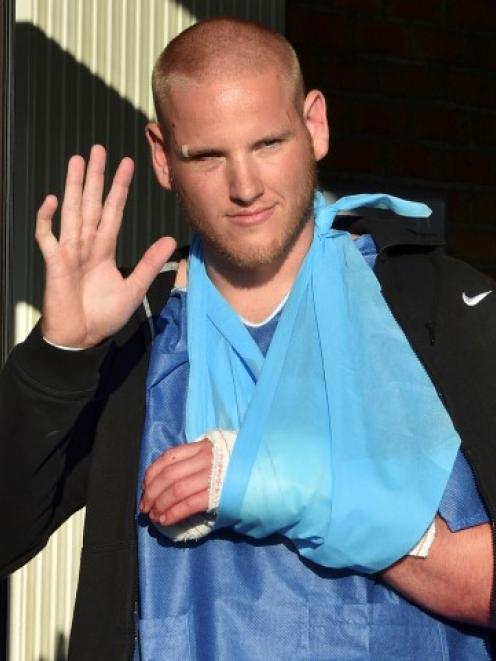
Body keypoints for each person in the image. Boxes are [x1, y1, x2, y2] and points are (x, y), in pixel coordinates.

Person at [1, 16, 496, 661]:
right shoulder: (139, 337)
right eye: (207, 155)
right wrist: (59, 357)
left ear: (314, 124)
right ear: (162, 156)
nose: (245, 187)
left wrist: (300, 488)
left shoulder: (439, 307)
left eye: (267, 143)